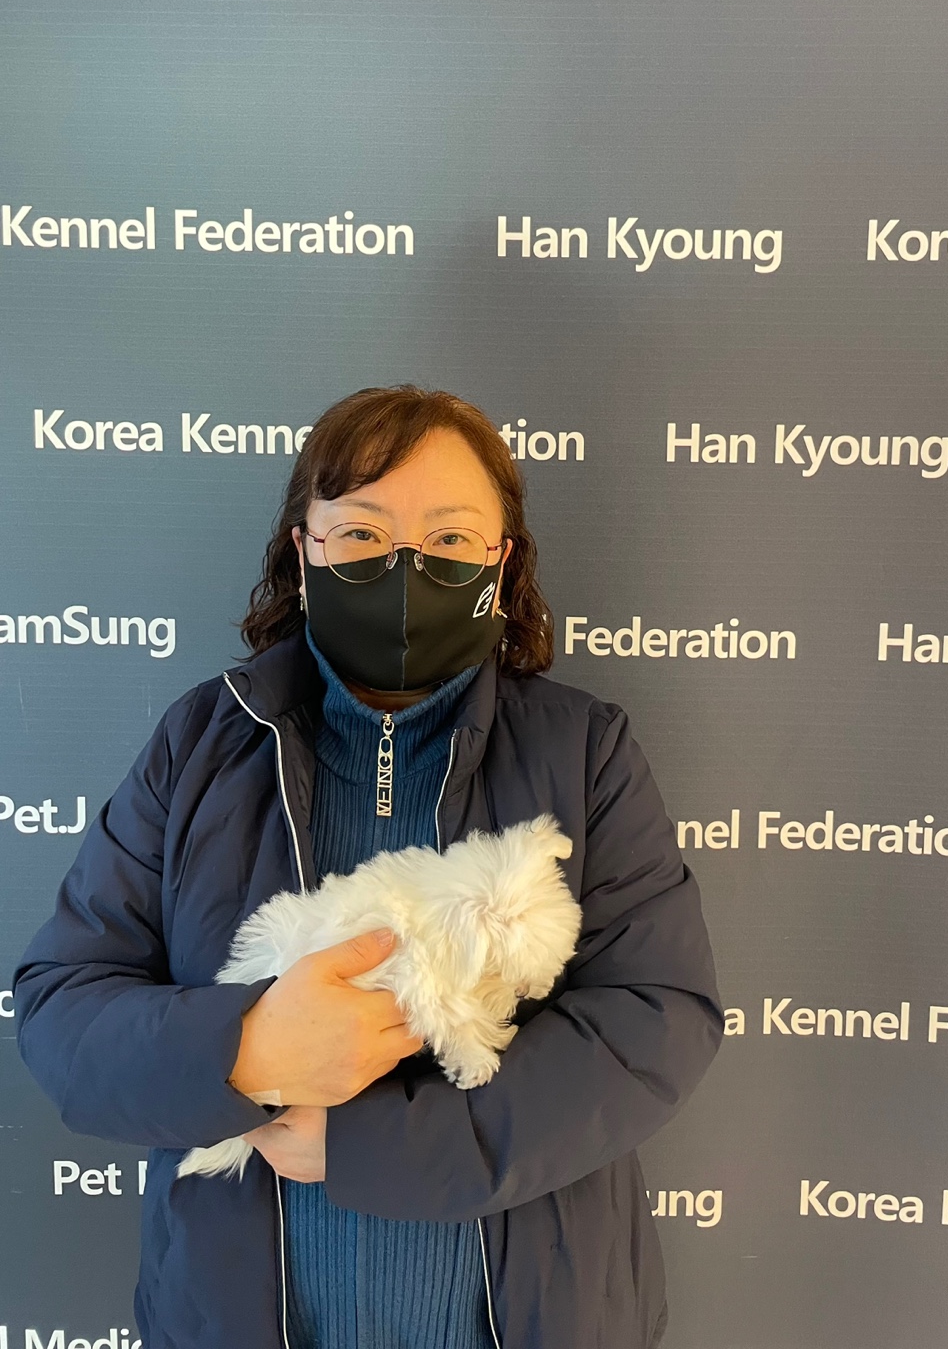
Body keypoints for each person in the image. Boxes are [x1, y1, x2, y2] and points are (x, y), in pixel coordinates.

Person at [11, 384, 724, 1349]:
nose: (405, 568)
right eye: (360, 534)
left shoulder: (585, 752)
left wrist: (370, 1143)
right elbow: (64, 1009)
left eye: (450, 538)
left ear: (501, 563)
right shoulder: (199, 744)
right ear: (303, 553)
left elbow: (655, 1020)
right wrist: (248, 1050)